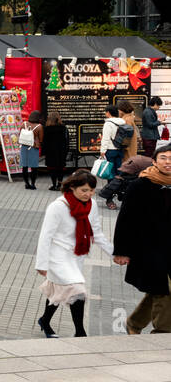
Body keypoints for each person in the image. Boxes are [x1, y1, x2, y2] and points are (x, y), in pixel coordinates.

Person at [33, 170, 116, 338]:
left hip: (77, 255)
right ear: (72, 187)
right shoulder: (57, 206)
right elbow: (45, 236)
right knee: (77, 290)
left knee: (61, 290)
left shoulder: (91, 205)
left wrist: (115, 254)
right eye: (84, 190)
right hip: (57, 256)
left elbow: (96, 233)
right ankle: (80, 333)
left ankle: (44, 320)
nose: (89, 194)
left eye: (92, 190)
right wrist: (41, 264)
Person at [113, 142, 171, 334]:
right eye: (163, 158)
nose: (168, 162)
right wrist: (121, 251)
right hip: (148, 248)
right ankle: (163, 333)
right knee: (163, 290)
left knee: (159, 289)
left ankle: (134, 323)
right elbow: (125, 220)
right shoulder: (139, 185)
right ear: (153, 161)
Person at [42, 110, 70, 191]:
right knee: (60, 168)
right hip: (61, 152)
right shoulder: (63, 128)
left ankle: (53, 184)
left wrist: (44, 152)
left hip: (50, 152)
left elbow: (45, 141)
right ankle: (59, 185)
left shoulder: (47, 129)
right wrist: (66, 150)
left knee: (52, 169)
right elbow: (67, 140)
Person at [19, 110, 44, 190]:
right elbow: (41, 139)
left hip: (24, 146)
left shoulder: (24, 124)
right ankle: (33, 184)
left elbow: (20, 134)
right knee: (34, 167)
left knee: (25, 166)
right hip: (33, 147)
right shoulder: (39, 126)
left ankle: (26, 183)